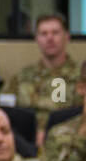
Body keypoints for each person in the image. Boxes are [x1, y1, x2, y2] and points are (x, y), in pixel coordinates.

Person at [13, 12, 79, 144]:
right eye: (43, 34)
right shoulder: (22, 77)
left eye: (55, 33)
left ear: (67, 36)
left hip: (67, 142)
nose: (50, 38)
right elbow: (4, 109)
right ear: (36, 38)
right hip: (25, 142)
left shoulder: (81, 77)